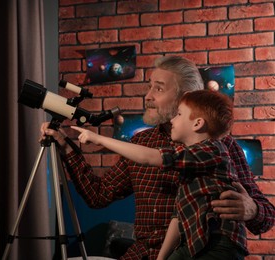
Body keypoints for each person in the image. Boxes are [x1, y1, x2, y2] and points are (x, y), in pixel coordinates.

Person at [40, 56, 275, 260]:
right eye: (149, 87)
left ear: (186, 97)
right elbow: (98, 195)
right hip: (145, 254)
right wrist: (66, 147)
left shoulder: (221, 146)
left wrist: (252, 209)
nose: (148, 96)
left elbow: (266, 216)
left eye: (159, 89)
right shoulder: (142, 143)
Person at [71, 90, 247, 259]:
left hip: (218, 245)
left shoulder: (212, 151)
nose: (172, 119)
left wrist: (99, 138)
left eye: (179, 114)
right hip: (193, 243)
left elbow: (150, 157)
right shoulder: (190, 166)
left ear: (197, 123)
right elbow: (178, 217)